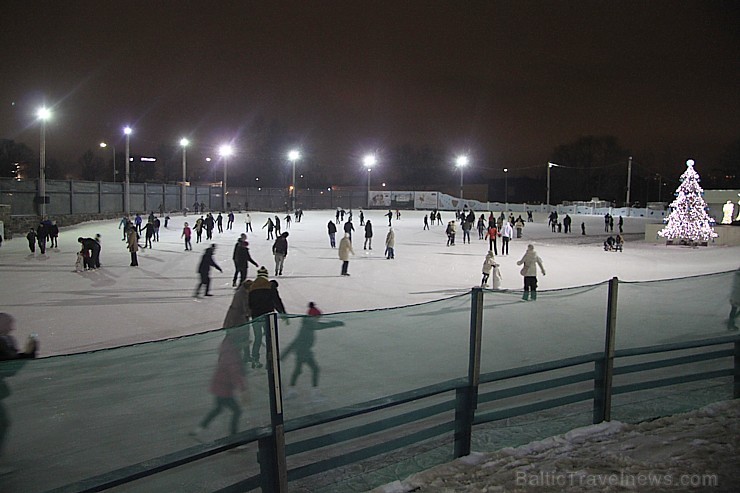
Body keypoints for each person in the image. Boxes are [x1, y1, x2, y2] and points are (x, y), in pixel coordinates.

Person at [190, 328, 248, 439]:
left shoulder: (227, 349)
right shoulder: (232, 356)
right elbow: (235, 373)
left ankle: (199, 429)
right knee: (237, 411)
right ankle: (233, 438)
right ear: (239, 342)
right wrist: (243, 389)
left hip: (218, 386)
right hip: (224, 389)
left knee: (218, 409)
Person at [282, 302, 344, 400]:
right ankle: (313, 393)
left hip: (303, 351)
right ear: (313, 317)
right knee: (315, 369)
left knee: (298, 370)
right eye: (318, 317)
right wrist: (336, 323)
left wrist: (284, 354)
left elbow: (296, 341)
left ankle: (292, 390)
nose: (319, 319)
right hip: (303, 352)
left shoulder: (307, 324)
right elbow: (320, 326)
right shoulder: (309, 325)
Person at [0, 313, 38, 472]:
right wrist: (29, 352)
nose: (12, 328)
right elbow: (11, 369)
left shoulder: (5, 341)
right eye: (9, 323)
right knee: (3, 423)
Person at [248, 267, 288, 368]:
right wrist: (283, 314)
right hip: (268, 317)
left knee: (258, 338)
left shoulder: (252, 287)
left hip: (256, 317)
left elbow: (249, 304)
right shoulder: (269, 286)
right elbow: (277, 301)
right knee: (270, 339)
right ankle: (270, 361)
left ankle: (255, 359)